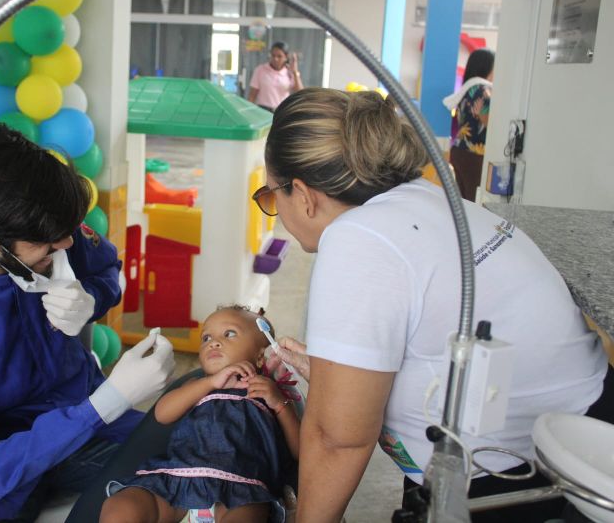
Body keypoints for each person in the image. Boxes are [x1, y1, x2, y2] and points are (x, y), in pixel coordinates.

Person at [253, 88, 612, 522]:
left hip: (523, 483)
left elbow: (337, 439)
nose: (277, 210)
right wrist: (338, 378)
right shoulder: (429, 199)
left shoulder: (355, 239)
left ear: (302, 193)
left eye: (271, 196)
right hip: (592, 430)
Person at [0, 123, 176, 522]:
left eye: (67, 234)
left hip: (86, 419)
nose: (67, 244)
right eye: (48, 244)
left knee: (208, 455)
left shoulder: (47, 222)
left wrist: (92, 298)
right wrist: (111, 399)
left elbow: (107, 268)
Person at [100, 306, 300, 523]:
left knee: (250, 515)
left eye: (229, 334)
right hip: (177, 482)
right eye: (206, 337)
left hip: (240, 490)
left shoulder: (270, 393)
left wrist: (280, 404)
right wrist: (210, 382)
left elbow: (301, 451)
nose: (214, 342)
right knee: (121, 507)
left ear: (260, 357)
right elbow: (162, 414)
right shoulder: (197, 386)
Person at [443, 48, 495, 201]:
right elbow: (489, 122)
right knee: (474, 201)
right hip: (474, 155)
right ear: (487, 67)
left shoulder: (467, 89)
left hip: (460, 151)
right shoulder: (483, 90)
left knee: (464, 201)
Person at [248, 41, 304, 112]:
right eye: (273, 55)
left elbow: (301, 93)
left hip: (282, 111)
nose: (275, 59)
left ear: (286, 57)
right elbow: (252, 95)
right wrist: (249, 111)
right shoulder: (260, 70)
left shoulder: (289, 72)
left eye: (279, 56)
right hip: (263, 111)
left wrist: (295, 72)